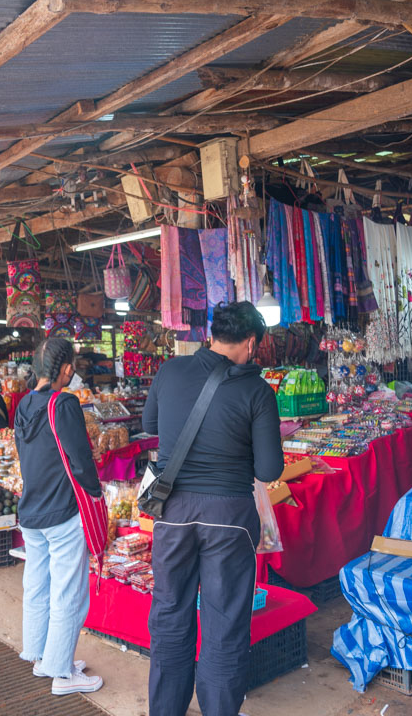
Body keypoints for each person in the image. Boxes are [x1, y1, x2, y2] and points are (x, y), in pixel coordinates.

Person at [143, 302, 283, 716]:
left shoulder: (170, 370)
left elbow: (152, 424)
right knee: (224, 625)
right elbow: (269, 469)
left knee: (170, 615)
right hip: (229, 519)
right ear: (251, 342)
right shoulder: (256, 390)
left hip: (173, 514)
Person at [14, 338, 104, 696]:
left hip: (32, 510)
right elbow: (80, 460)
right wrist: (96, 494)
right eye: (73, 366)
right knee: (69, 591)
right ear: (66, 369)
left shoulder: (24, 405)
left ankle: (41, 656)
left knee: (38, 585)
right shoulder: (64, 403)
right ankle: (62, 672)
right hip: (62, 512)